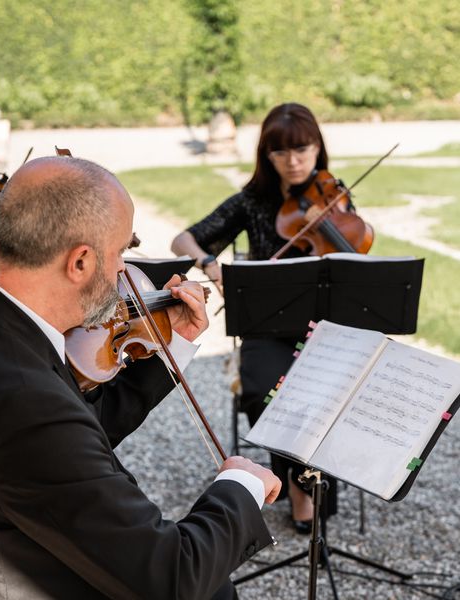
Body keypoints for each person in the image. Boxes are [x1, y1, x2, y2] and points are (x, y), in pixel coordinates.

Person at [0, 156, 282, 600]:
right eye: (119, 253)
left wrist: (174, 344)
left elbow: (74, 435)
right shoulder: (26, 402)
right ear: (79, 262)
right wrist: (240, 486)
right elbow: (173, 577)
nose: (124, 272)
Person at [171, 102, 350, 533]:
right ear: (267, 156)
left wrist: (329, 227)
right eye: (282, 153)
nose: (294, 162)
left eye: (303, 150)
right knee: (262, 391)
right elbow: (184, 239)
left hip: (325, 328)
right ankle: (296, 480)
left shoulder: (333, 193)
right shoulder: (252, 201)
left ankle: (310, 487)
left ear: (317, 149)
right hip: (267, 327)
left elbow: (349, 249)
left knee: (323, 392)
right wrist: (210, 262)